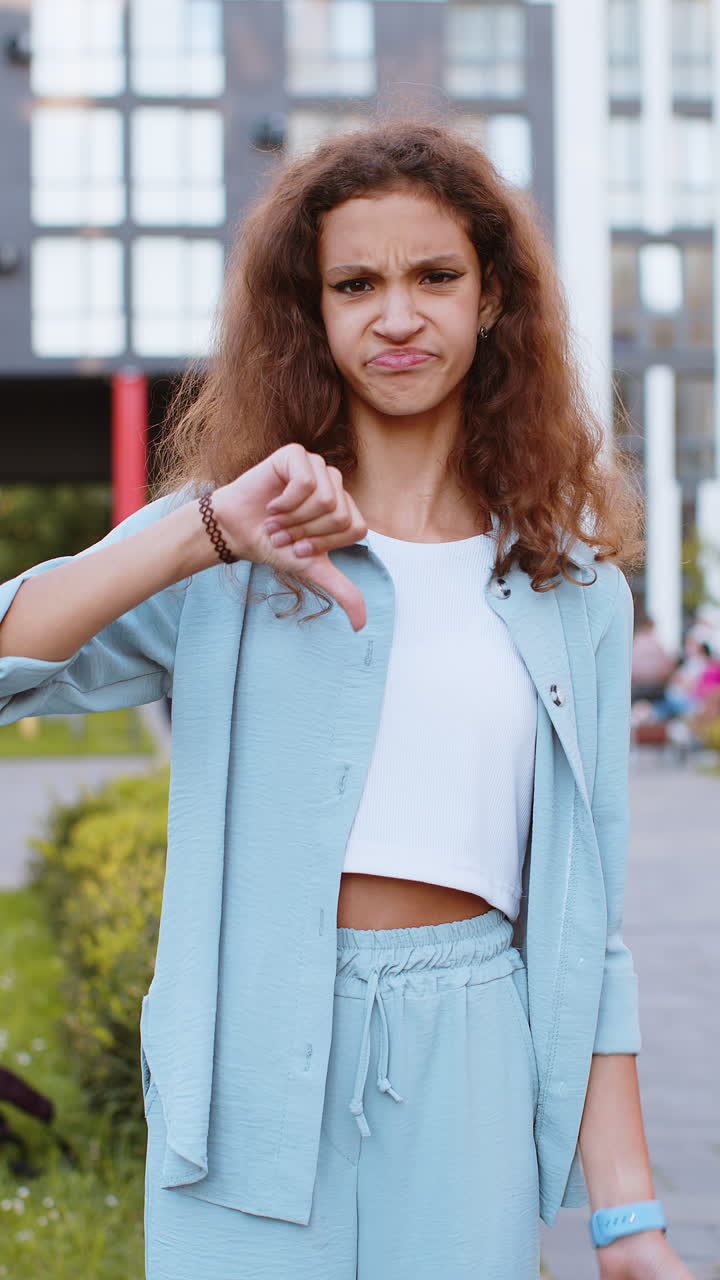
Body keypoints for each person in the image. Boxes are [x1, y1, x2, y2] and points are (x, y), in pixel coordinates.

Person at [0, 121, 694, 1279]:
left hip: (475, 1048)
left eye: (436, 276)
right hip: (247, 1052)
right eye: (355, 283)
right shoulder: (234, 538)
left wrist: (629, 1222)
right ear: (310, 313)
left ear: (493, 302)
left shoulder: (569, 590)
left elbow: (588, 931)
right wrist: (207, 533)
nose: (398, 314)